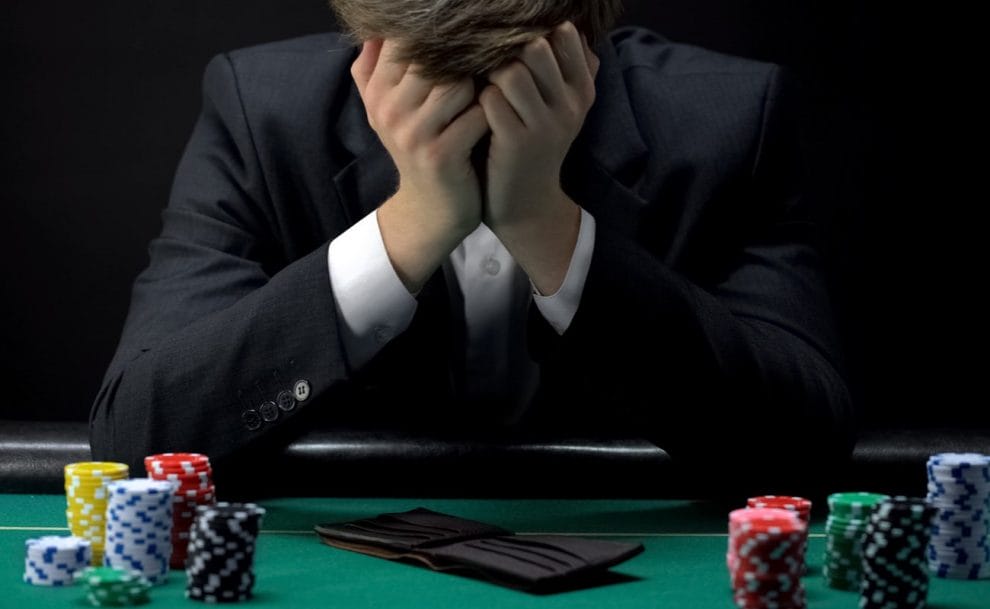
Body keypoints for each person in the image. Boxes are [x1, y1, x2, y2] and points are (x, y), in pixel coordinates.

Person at [89, 0, 856, 485]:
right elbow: (137, 437)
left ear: (582, 39)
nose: (475, 116)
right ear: (373, 46)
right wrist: (411, 223)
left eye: (512, 75)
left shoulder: (732, 119)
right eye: (438, 78)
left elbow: (806, 446)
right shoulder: (263, 112)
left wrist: (544, 224)